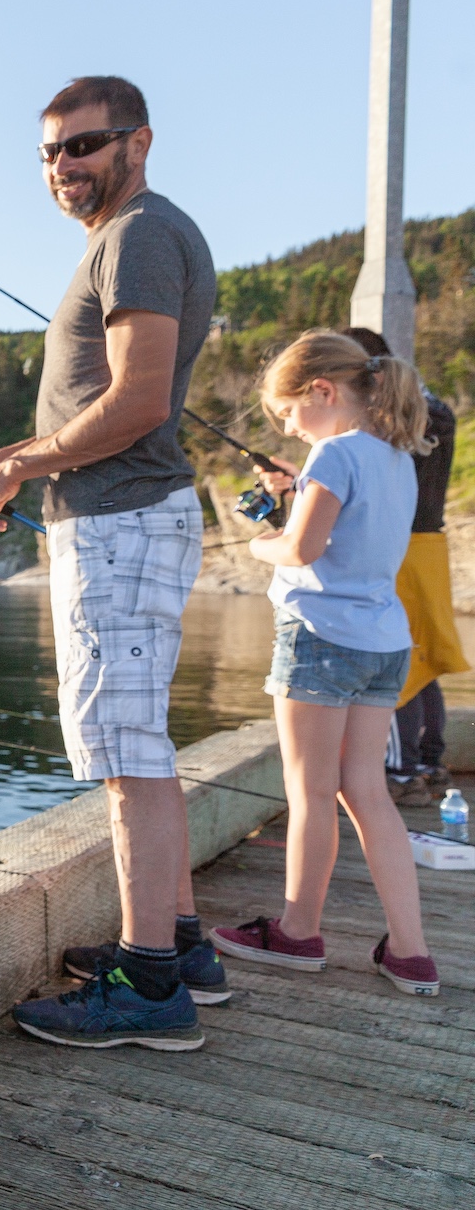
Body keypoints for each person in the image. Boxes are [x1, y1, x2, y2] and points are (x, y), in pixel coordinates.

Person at [0, 76, 221, 1049]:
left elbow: (139, 402)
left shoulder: (140, 235)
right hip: (117, 516)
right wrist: (10, 452)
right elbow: (100, 403)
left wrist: (19, 464)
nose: (64, 166)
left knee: (126, 754)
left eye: (84, 145)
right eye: (51, 152)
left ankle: (151, 988)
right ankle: (179, 947)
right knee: (139, 747)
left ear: (139, 140)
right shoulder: (125, 239)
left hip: (121, 521)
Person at [207, 330, 440, 998]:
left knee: (310, 792)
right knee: (366, 791)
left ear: (322, 391)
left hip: (320, 638)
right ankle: (411, 951)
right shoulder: (395, 456)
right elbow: (348, 528)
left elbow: (303, 549)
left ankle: (298, 932)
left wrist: (260, 544)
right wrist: (299, 487)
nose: (287, 426)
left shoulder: (334, 456)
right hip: (381, 644)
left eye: (288, 412)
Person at [337, 328, 469, 807]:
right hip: (430, 543)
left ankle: (402, 771)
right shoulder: (433, 407)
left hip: (397, 546)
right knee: (424, 661)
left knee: (395, 661)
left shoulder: (388, 414)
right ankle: (430, 764)